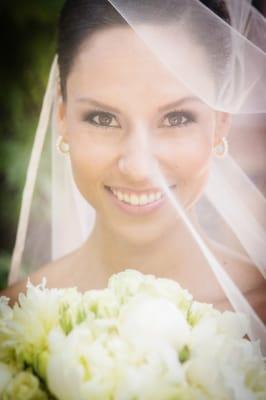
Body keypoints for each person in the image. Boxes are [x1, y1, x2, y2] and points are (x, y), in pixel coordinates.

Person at [1, 0, 265, 330]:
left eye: (176, 118)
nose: (139, 168)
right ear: (63, 114)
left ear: (221, 122)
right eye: (102, 118)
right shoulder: (11, 323)